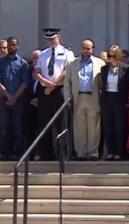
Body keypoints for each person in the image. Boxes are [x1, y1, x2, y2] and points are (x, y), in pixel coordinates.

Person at [34, 28, 75, 160]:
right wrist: (46, 83)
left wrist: (53, 85)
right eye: (48, 39)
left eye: (52, 39)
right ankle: (47, 154)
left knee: (61, 124)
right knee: (43, 123)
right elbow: (37, 72)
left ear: (58, 37)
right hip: (45, 91)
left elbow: (66, 71)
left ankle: (62, 154)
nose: (50, 41)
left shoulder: (67, 53)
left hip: (59, 90)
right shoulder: (43, 54)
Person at [64, 39, 105, 160]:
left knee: (94, 126)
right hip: (79, 97)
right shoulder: (73, 64)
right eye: (84, 48)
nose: (86, 50)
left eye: (88, 48)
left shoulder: (100, 63)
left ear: (93, 49)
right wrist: (67, 98)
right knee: (79, 127)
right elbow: (67, 83)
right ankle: (81, 152)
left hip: (93, 97)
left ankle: (93, 152)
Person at [100, 44, 129, 160]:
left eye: (113, 55)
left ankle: (119, 151)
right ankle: (110, 151)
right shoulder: (104, 69)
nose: (111, 57)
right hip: (107, 98)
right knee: (108, 126)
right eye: (109, 55)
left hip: (120, 99)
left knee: (119, 126)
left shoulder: (126, 69)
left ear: (118, 56)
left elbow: (128, 86)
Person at [0, 36, 29, 160]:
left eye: (13, 45)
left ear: (17, 46)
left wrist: (14, 97)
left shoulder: (23, 64)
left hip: (18, 101)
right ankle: (4, 154)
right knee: (4, 128)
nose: (11, 47)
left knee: (18, 128)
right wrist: (8, 95)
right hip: (3, 99)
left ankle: (18, 154)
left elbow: (25, 83)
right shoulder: (1, 62)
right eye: (9, 45)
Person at [24, 49, 42, 148]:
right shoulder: (28, 71)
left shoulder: (45, 71)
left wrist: (39, 99)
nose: (35, 61)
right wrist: (31, 100)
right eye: (33, 59)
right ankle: (30, 153)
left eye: (37, 58)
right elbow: (25, 86)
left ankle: (41, 152)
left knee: (41, 129)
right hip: (30, 104)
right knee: (29, 129)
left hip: (42, 104)